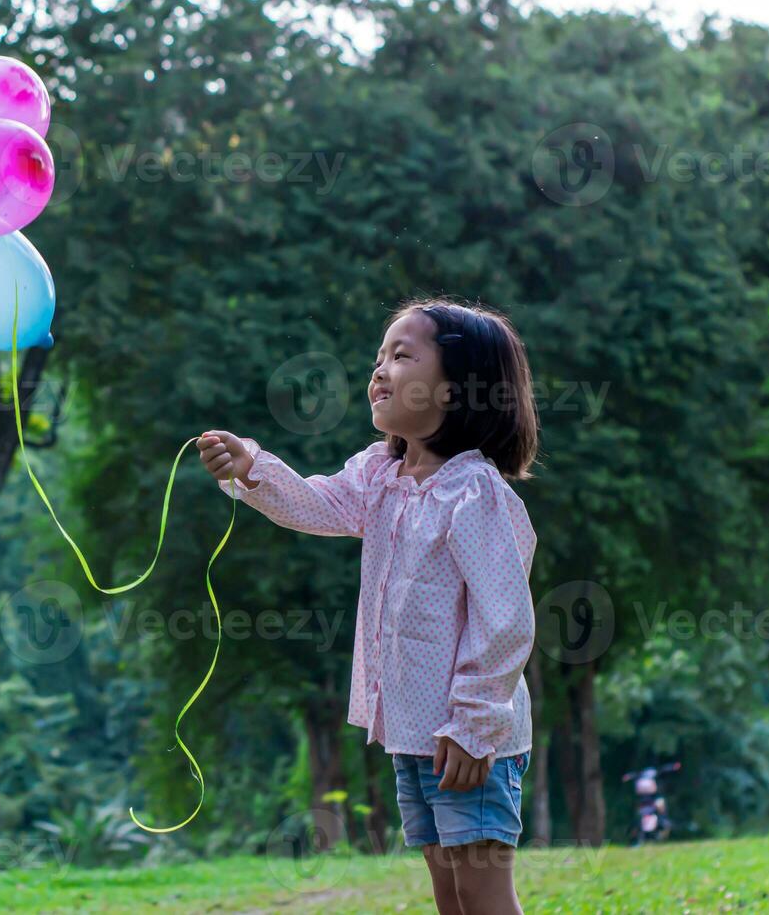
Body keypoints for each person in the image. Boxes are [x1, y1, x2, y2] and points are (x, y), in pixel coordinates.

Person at [199, 297, 539, 915]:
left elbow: (506, 621)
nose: (379, 369)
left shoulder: (474, 492)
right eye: (379, 356)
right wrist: (252, 469)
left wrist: (472, 724)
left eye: (403, 356)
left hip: (469, 737)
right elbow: (316, 503)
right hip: (414, 734)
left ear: (458, 389)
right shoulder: (379, 475)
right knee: (448, 891)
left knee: (482, 892)